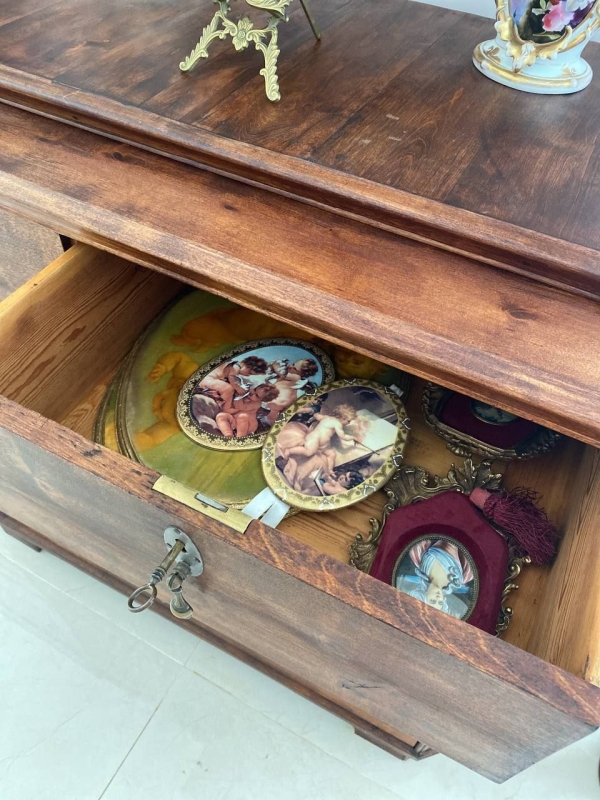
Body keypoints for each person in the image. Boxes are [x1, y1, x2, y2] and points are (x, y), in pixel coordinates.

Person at [396, 539, 474, 619]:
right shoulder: (456, 581)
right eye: (440, 602)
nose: (437, 597)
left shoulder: (423, 565)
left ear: (424, 595)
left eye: (432, 601)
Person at [199, 356, 268, 411]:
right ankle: (226, 408)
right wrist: (237, 388)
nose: (248, 375)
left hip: (209, 380)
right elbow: (231, 378)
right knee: (229, 389)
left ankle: (220, 403)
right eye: (249, 373)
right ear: (247, 366)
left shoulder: (235, 365)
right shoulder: (236, 367)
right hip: (208, 379)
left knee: (227, 388)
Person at [215, 384, 280, 438]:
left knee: (243, 416)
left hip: (248, 425)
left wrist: (239, 395)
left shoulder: (256, 404)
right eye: (254, 390)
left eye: (256, 395)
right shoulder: (247, 396)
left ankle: (240, 438)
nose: (252, 393)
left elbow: (239, 407)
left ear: (262, 400)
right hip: (235, 421)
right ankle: (228, 434)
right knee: (221, 416)